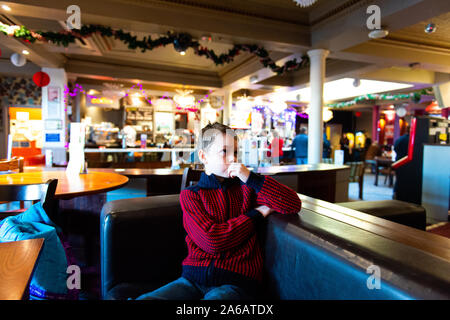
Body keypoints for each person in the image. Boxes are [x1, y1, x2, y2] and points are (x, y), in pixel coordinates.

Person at [136, 122, 302, 300]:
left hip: (236, 282)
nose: (233, 159)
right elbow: (211, 241)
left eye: (236, 152)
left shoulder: (247, 189)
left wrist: (251, 178)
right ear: (204, 156)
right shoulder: (191, 196)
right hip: (192, 280)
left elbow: (292, 204)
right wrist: (257, 214)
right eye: (225, 151)